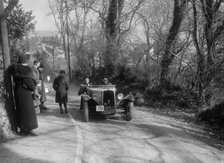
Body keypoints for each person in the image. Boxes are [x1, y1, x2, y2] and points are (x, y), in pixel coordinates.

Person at [11, 54, 38, 136]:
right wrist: (33, 88)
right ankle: (29, 130)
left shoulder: (15, 68)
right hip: (26, 93)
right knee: (29, 112)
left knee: (21, 111)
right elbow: (31, 84)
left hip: (18, 92)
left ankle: (22, 129)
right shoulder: (26, 70)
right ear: (26, 61)